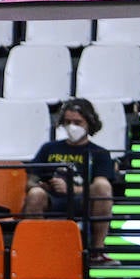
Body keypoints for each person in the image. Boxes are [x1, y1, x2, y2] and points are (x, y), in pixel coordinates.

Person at [23, 97, 118, 267]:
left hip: (83, 200)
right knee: (34, 194)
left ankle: (97, 251)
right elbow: (30, 181)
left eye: (77, 122)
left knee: (103, 187)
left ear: (89, 123)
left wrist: (73, 189)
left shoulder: (99, 153)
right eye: (67, 122)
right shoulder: (49, 148)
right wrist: (40, 185)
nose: (72, 127)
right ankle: (36, 251)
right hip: (52, 199)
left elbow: (101, 184)